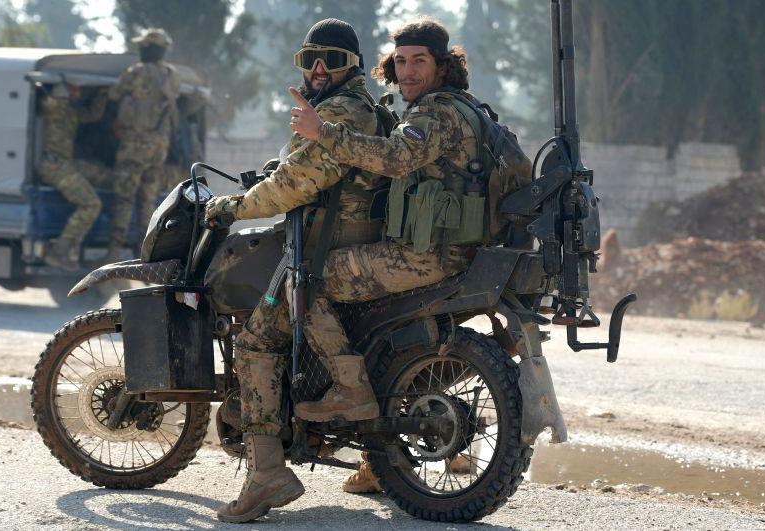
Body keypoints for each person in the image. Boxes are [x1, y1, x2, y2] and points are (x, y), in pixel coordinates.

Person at [289, 17, 530, 495]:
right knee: (373, 328)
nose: (408, 71)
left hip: (428, 257)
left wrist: (324, 134)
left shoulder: (436, 112)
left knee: (309, 280)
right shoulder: (469, 108)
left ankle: (348, 389)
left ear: (443, 66)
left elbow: (397, 158)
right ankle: (378, 463)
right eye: (400, 61)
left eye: (419, 60)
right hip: (460, 253)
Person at [205, 19, 384, 523]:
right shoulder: (356, 108)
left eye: (331, 59)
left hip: (327, 250)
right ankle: (378, 461)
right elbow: (303, 170)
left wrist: (233, 207)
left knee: (256, 342)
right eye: (310, 60)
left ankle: (267, 474)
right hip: (344, 244)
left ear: (353, 65)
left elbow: (297, 184)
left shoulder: (341, 111)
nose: (320, 69)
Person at [106, 28, 180, 262]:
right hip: (158, 147)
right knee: (147, 200)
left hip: (134, 145)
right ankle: (144, 255)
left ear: (148, 49)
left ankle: (114, 253)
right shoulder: (171, 75)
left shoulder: (135, 72)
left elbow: (113, 95)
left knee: (124, 197)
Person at [38, 82, 110, 271]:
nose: (77, 94)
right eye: (73, 91)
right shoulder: (53, 107)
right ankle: (60, 250)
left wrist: (102, 93)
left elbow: (93, 114)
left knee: (106, 175)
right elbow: (49, 101)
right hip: (54, 166)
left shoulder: (70, 111)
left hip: (64, 163)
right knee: (91, 204)